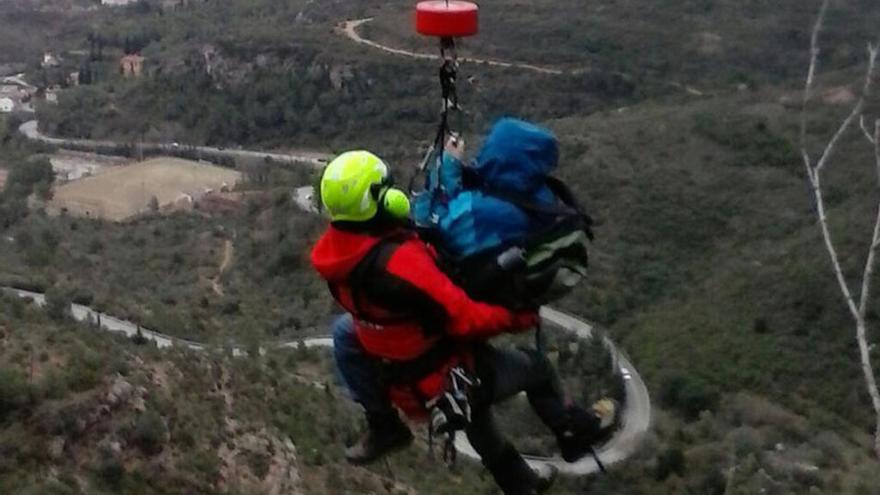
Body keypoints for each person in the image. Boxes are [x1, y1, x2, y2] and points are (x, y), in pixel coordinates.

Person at [311, 149, 615, 495]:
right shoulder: (402, 264)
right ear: (382, 199)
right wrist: (518, 317)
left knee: (345, 331)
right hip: (443, 381)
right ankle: (572, 432)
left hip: (402, 379)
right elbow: (465, 319)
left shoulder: (335, 259)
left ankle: (518, 482)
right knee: (537, 369)